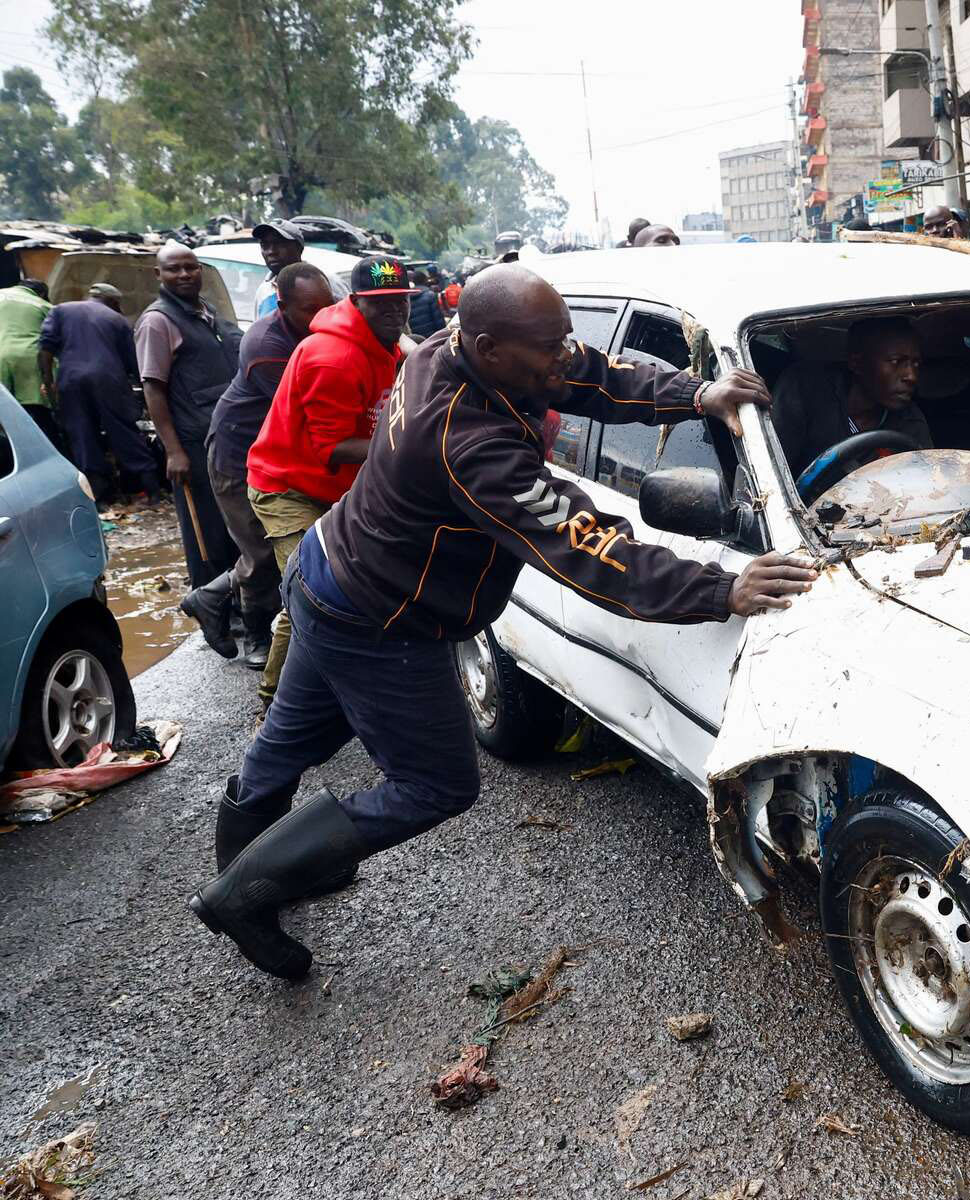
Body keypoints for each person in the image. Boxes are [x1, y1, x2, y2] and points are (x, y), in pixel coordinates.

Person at [188, 264, 813, 981]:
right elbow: (590, 550)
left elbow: (584, 373)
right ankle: (246, 892)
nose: (561, 356)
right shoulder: (467, 441)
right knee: (436, 784)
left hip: (331, 568)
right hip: (380, 616)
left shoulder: (457, 349)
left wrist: (694, 394)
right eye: (546, 347)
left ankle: (242, 878)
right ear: (487, 349)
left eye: (560, 340)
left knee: (291, 738)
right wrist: (723, 587)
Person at [244, 255, 413, 707]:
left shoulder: (386, 343)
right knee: (306, 591)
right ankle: (273, 702)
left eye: (402, 301)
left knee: (359, 582)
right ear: (356, 302)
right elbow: (333, 448)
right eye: (383, 304)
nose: (395, 311)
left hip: (335, 487)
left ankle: (343, 680)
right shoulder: (333, 358)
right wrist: (408, 444)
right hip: (286, 486)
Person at [204, 263, 336, 671]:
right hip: (239, 454)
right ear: (282, 305)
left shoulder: (318, 331)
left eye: (327, 306)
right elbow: (310, 410)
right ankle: (257, 636)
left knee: (274, 549)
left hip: (277, 452)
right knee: (262, 552)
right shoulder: (266, 346)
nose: (322, 316)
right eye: (310, 309)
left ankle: (211, 595)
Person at [137, 242, 243, 619]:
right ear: (158, 275)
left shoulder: (206, 313)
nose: (184, 275)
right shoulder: (158, 321)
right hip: (192, 443)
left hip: (225, 437)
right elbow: (154, 387)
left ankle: (240, 605)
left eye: (191, 267)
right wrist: (173, 450)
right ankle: (214, 611)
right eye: (174, 269)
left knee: (235, 526)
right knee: (206, 534)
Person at [773, 316, 931, 480]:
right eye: (896, 361)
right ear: (856, 363)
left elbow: (924, 484)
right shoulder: (805, 391)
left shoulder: (910, 421)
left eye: (916, 363)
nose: (911, 376)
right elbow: (770, 469)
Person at [38, 284, 155, 502]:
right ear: (114, 302)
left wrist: (48, 382)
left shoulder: (61, 310)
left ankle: (99, 496)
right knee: (123, 431)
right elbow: (135, 363)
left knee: (82, 433)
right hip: (110, 380)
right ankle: (153, 490)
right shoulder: (117, 319)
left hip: (70, 380)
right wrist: (145, 395)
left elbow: (44, 350)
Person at [0, 278, 56, 443]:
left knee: (4, 411)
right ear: (42, 293)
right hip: (30, 359)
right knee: (37, 413)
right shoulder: (44, 305)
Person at [249, 220, 308, 320]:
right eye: (265, 245)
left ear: (299, 248)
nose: (271, 252)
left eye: (279, 244)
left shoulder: (324, 283)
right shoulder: (264, 291)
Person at [408, 268, 447, 338]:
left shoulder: (407, 298)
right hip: (433, 337)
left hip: (417, 339)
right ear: (425, 280)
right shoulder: (430, 295)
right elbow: (438, 320)